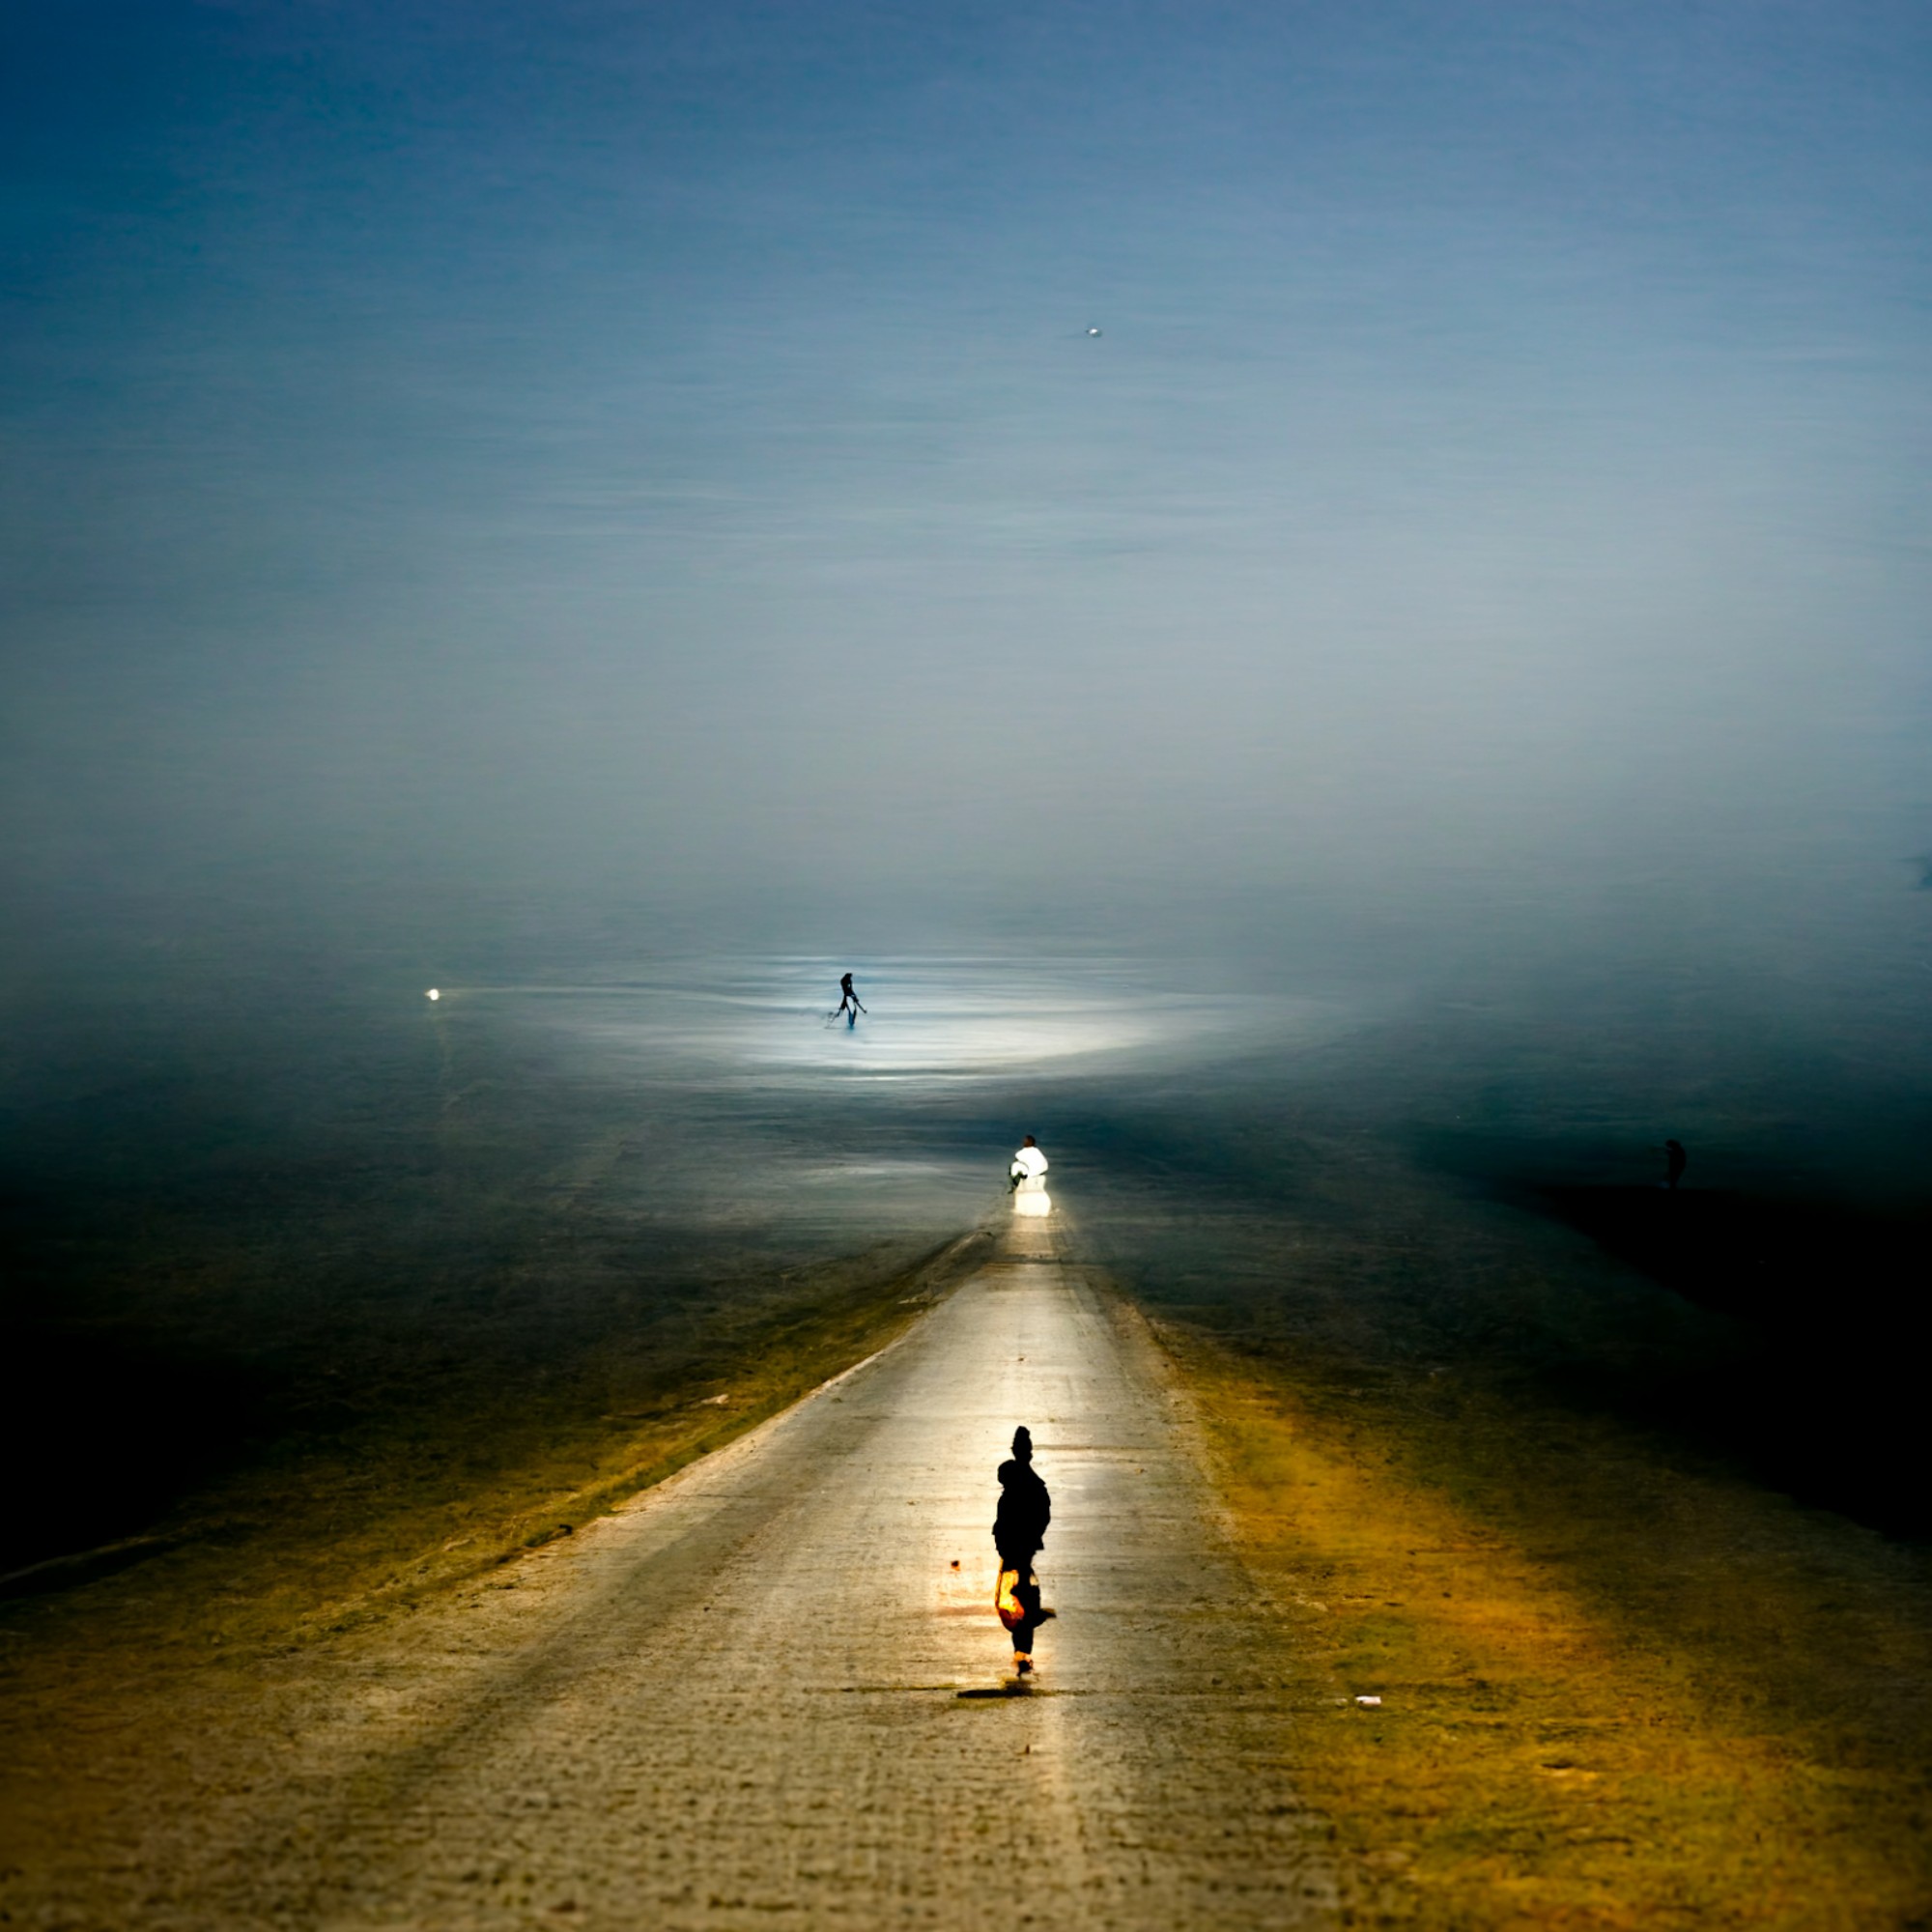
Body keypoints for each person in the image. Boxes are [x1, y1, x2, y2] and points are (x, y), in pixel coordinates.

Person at [993, 1425, 1053, 1675]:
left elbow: (1040, 1515)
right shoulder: (1033, 1483)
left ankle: (1022, 1649)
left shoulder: (1018, 1481)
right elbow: (1043, 1515)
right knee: (1021, 1596)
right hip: (1021, 1547)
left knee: (1015, 1599)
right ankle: (1023, 1648)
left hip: (1013, 1548)